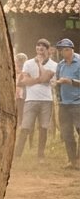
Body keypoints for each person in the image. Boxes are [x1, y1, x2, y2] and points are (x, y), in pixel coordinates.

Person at [17, 39, 57, 161]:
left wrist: (39, 65)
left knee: (43, 128)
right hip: (30, 99)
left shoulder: (54, 65)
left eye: (42, 48)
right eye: (38, 47)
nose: (40, 50)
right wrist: (39, 79)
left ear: (47, 50)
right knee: (25, 126)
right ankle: (17, 155)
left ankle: (40, 155)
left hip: (46, 100)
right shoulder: (28, 63)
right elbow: (22, 81)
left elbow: (47, 78)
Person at [53, 38, 80, 169]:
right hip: (64, 103)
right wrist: (57, 87)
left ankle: (79, 160)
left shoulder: (79, 62)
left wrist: (71, 81)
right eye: (61, 50)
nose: (62, 52)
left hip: (78, 103)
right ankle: (72, 160)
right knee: (67, 132)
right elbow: (58, 81)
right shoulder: (61, 65)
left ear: (70, 49)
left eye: (64, 49)